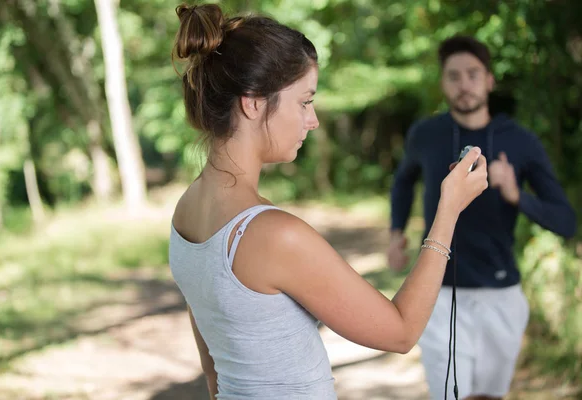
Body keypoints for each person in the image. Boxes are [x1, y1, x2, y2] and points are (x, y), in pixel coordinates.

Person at [168, 4, 488, 399]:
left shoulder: (187, 209)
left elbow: (214, 366)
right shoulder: (272, 234)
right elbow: (402, 331)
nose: (313, 119)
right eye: (304, 101)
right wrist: (449, 210)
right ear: (252, 103)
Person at [388, 35, 577, 400]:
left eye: (473, 74)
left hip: (500, 293)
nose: (464, 85)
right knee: (447, 395)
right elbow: (402, 183)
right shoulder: (425, 135)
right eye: (454, 76)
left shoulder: (520, 141)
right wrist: (396, 232)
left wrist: (516, 194)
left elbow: (565, 221)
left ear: (490, 80)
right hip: (438, 292)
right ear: (442, 83)